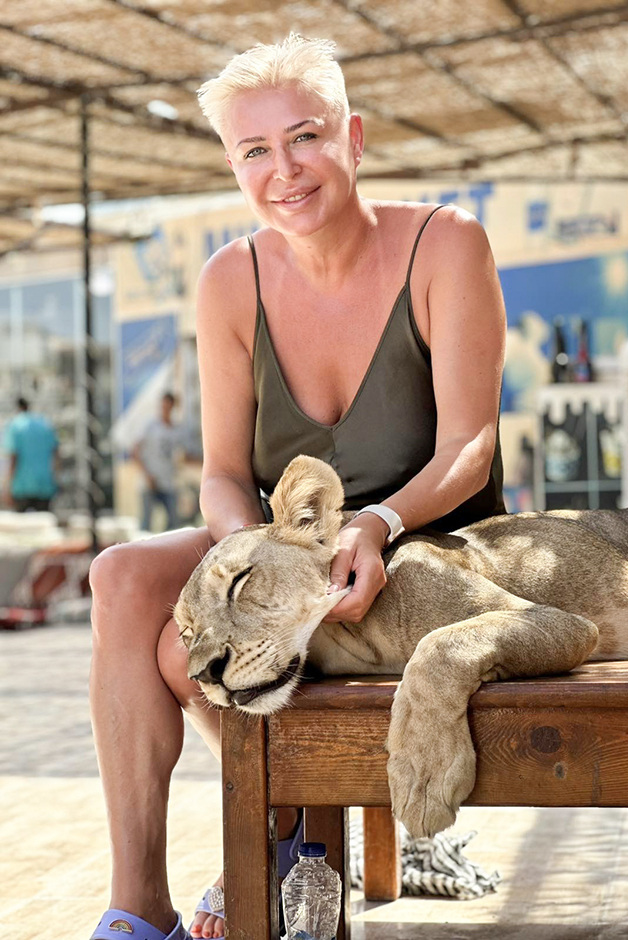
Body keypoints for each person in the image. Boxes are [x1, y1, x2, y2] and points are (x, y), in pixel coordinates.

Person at [88, 34, 506, 940]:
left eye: (304, 137)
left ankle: (276, 832)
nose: (283, 170)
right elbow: (222, 473)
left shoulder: (446, 244)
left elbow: (471, 447)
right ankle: (138, 904)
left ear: (352, 138)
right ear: (234, 167)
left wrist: (379, 521)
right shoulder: (229, 280)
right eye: (254, 150)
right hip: (289, 551)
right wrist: (254, 557)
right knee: (119, 576)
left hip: (427, 547)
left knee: (183, 656)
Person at [133, 391, 183, 531]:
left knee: (174, 523)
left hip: (169, 482)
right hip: (150, 482)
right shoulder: (150, 426)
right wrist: (146, 475)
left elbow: (181, 455)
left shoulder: (176, 430)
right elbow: (135, 451)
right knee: (146, 523)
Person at [2, 396, 58, 512]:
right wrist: (55, 478)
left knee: (20, 521)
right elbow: (56, 454)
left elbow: (13, 458)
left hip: (21, 485)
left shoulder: (15, 426)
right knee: (43, 520)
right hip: (44, 484)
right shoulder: (44, 425)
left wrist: (7, 486)